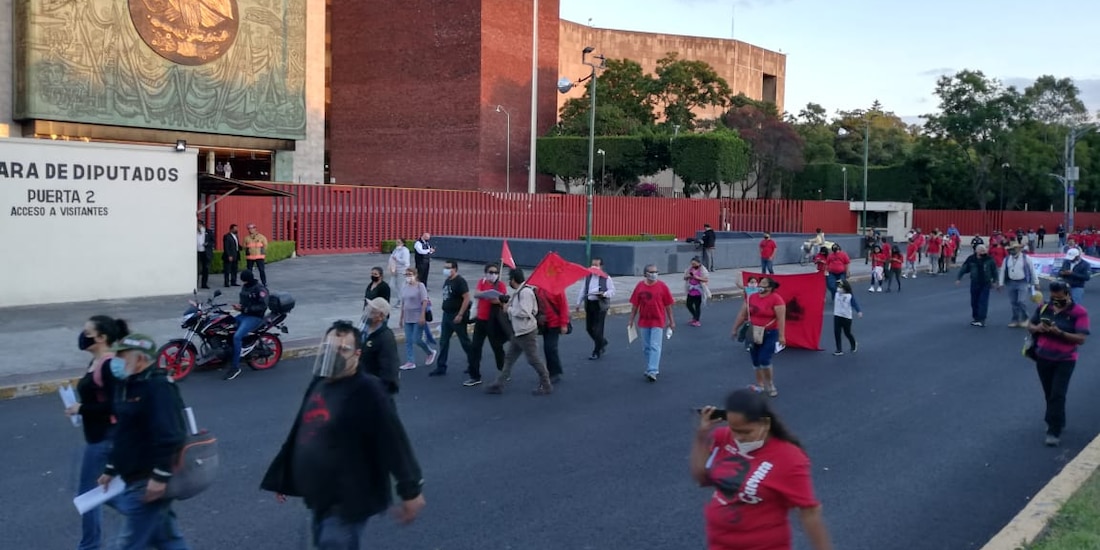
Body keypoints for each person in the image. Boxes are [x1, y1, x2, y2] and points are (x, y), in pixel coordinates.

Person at [261, 321, 426, 549]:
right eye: (330, 348)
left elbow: (393, 440)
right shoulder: (319, 382)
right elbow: (301, 430)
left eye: (343, 349)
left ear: (357, 354)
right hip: (320, 493)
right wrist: (284, 475)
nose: (335, 355)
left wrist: (410, 490)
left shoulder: (369, 391)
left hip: (349, 497)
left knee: (332, 542)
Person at [691, 389, 833, 550]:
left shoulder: (789, 458)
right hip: (719, 544)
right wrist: (701, 436)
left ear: (765, 423)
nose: (738, 437)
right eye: (734, 430)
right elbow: (701, 478)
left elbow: (809, 512)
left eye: (746, 432)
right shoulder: (722, 438)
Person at [98, 333, 189, 550]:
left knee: (127, 544)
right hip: (133, 476)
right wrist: (111, 468)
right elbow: (124, 432)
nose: (116, 362)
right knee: (167, 539)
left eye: (122, 357)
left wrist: (160, 477)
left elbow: (170, 435)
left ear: (140, 359)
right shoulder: (129, 385)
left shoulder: (158, 386)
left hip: (146, 479)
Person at [66, 316, 128, 550]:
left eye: (87, 332)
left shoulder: (110, 366)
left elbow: (115, 406)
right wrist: (79, 409)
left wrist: (82, 408)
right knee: (101, 491)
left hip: (105, 438)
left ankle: (89, 546)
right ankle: (148, 517)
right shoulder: (95, 362)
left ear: (101, 338)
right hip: (97, 436)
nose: (83, 336)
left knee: (88, 495)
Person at [1026, 282, 1090, 447]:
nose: (1056, 301)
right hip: (1043, 357)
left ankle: (1053, 430)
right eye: (1053, 297)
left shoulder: (1079, 312)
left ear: (1068, 294)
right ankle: (1058, 419)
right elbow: (1030, 325)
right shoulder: (1044, 307)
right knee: (1049, 393)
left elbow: (1081, 339)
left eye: (1060, 298)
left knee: (1058, 393)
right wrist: (1038, 328)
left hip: (1065, 359)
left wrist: (1059, 332)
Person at [486, 269, 553, 395]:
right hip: (519, 332)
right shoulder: (520, 291)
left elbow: (524, 312)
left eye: (509, 279)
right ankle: (499, 384)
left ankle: (546, 384)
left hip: (526, 332)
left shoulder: (525, 292)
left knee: (533, 359)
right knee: (509, 358)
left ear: (513, 279)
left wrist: (509, 310)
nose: (509, 282)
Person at [732, 277, 786, 396]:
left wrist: (782, 336)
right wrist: (735, 329)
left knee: (764, 359)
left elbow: (781, 319)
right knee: (755, 360)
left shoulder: (776, 299)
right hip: (752, 332)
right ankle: (760, 385)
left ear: (770, 288)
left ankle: (770, 384)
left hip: (770, 333)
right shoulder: (751, 297)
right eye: (759, 283)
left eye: (763, 284)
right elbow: (742, 314)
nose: (759, 286)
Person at [628, 264, 675, 383]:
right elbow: (635, 305)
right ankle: (650, 366)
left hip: (658, 320)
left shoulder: (662, 286)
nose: (654, 274)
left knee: (655, 345)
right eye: (651, 272)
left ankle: (653, 370)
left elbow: (668, 305)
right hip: (644, 320)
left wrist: (671, 321)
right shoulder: (640, 286)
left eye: (656, 272)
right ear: (645, 274)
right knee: (646, 347)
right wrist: (631, 319)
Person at [464, 264, 508, 387]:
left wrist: (496, 300)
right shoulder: (482, 282)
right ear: (486, 273)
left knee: (497, 347)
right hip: (480, 320)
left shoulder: (501, 285)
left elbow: (503, 301)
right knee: (475, 348)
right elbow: (476, 293)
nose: (493, 274)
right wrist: (488, 294)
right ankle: (474, 376)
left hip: (493, 321)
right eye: (491, 272)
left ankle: (503, 371)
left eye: (495, 272)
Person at [429, 260, 472, 377]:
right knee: (443, 341)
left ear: (455, 269)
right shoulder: (448, 280)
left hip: (456, 314)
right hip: (446, 315)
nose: (446, 270)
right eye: (445, 267)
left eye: (448, 268)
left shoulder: (460, 281)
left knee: (464, 341)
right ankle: (441, 366)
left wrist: (460, 314)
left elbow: (466, 298)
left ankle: (473, 363)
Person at [225, 269, 268, 380]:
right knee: (226, 327)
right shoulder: (245, 287)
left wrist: (245, 309)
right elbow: (244, 302)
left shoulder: (260, 289)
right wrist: (239, 307)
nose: (243, 283)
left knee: (237, 336)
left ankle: (235, 367)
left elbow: (263, 306)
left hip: (255, 318)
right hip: (243, 315)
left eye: (244, 280)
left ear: (248, 279)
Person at [358, 298, 400, 395]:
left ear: (381, 316)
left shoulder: (385, 337)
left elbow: (389, 370)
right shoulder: (364, 330)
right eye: (368, 309)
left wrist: (380, 393)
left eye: (372, 311)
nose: (367, 313)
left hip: (373, 390)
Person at [398, 267, 437, 370]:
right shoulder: (404, 287)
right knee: (408, 340)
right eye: (406, 275)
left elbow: (424, 301)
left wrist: (422, 315)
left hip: (417, 316)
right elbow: (403, 303)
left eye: (410, 274)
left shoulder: (420, 286)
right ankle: (410, 361)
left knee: (417, 339)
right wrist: (401, 318)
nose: (408, 277)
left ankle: (430, 352)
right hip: (407, 316)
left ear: (415, 275)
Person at [576, 257, 615, 360]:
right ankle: (602, 342)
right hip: (590, 304)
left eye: (596, 265)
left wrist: (604, 294)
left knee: (598, 329)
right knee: (589, 328)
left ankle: (596, 351)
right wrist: (578, 302)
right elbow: (583, 290)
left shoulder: (606, 278)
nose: (594, 267)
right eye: (593, 265)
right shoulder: (588, 276)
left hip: (600, 305)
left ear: (601, 266)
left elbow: (612, 291)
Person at [955, 244, 998, 327]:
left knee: (983, 301)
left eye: (984, 250)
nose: (983, 252)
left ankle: (982, 319)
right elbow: (964, 268)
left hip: (985, 283)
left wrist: (995, 281)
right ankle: (976, 318)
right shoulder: (971, 259)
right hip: (975, 283)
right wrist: (958, 278)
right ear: (977, 251)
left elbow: (994, 271)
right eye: (982, 251)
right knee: (974, 301)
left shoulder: (989, 259)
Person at [998, 243, 1037, 328]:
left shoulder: (1026, 258)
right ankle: (1015, 320)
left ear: (1019, 249)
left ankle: (1025, 319)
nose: (1012, 251)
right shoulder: (1007, 259)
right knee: (1013, 302)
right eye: (1011, 249)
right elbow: (1002, 271)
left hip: (1022, 282)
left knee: (1021, 301)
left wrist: (1036, 282)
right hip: (1011, 282)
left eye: (1014, 249)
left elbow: (1032, 270)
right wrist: (1001, 283)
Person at [538, 286, 571, 384]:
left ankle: (555, 373)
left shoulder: (558, 289)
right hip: (545, 324)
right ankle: (551, 371)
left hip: (555, 323)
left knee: (550, 348)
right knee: (547, 348)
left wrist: (564, 324)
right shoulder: (539, 289)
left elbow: (564, 306)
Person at [832, 279, 862, 356]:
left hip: (846, 317)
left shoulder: (849, 296)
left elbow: (854, 304)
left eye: (840, 287)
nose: (839, 288)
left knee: (847, 333)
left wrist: (858, 311)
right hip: (837, 315)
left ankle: (853, 343)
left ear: (845, 288)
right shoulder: (836, 294)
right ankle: (839, 349)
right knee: (837, 332)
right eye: (838, 287)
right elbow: (831, 286)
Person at [684, 257, 710, 327]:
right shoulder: (690, 269)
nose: (693, 265)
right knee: (688, 304)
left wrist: (697, 278)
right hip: (691, 289)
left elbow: (706, 279)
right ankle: (695, 316)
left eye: (694, 264)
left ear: (699, 263)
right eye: (692, 264)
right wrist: (688, 276)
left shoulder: (703, 270)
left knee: (697, 306)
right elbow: (685, 277)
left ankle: (697, 320)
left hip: (698, 290)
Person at [388, 239, 411, 304]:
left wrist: (397, 259)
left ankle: (401, 301)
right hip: (394, 269)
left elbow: (405, 261)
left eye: (399, 242)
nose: (397, 243)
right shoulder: (396, 250)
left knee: (401, 286)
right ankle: (402, 297)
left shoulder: (405, 251)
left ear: (403, 243)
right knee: (392, 285)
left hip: (402, 270)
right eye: (397, 242)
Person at [196, 220, 214, 289]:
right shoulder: (193, 231)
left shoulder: (208, 232)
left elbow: (212, 241)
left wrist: (207, 244)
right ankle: (195, 284)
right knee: (196, 269)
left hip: (205, 252)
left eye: (198, 225)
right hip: (197, 252)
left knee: (205, 268)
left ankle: (204, 284)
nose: (197, 226)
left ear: (202, 225)